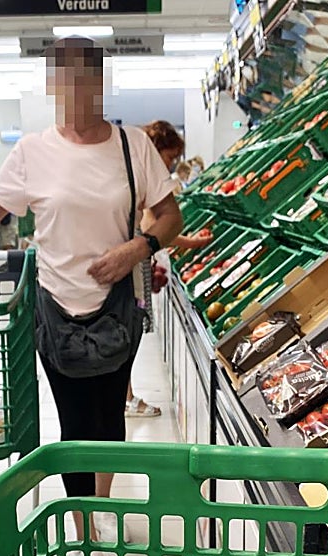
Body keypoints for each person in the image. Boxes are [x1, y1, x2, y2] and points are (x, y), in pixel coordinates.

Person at [0, 37, 183, 556]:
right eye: (64, 82)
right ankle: (84, 533)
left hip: (118, 306)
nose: (75, 93)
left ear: (102, 84)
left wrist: (134, 250)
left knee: (109, 419)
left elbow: (169, 218)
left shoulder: (132, 146)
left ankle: (98, 508)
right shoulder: (31, 152)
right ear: (52, 87)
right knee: (76, 424)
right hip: (55, 308)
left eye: (86, 80)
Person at [123, 120, 214, 419]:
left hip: (137, 260)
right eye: (170, 156)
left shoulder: (137, 173)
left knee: (130, 330)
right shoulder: (144, 176)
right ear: (158, 149)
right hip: (134, 262)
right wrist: (192, 244)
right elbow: (154, 228)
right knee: (128, 330)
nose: (172, 164)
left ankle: (126, 396)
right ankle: (126, 398)